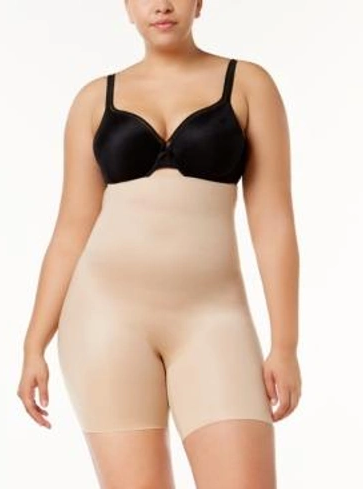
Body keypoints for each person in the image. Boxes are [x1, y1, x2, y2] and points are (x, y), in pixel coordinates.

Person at [17, 1, 302, 488]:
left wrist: (285, 345)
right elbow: (70, 230)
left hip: (213, 319)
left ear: (199, 3)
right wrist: (33, 344)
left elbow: (273, 221)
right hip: (104, 319)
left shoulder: (248, 85)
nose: (162, 5)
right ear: (127, 8)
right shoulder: (94, 100)